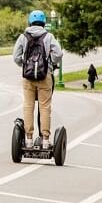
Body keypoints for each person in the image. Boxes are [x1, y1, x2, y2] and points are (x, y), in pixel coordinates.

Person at [12, 9, 63, 149]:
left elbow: (15, 57)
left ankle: (28, 139)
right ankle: (45, 140)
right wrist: (50, 64)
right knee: (44, 106)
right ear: (43, 22)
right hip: (45, 75)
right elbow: (58, 53)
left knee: (28, 106)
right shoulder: (49, 36)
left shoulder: (23, 37)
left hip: (28, 77)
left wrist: (25, 65)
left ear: (30, 21)